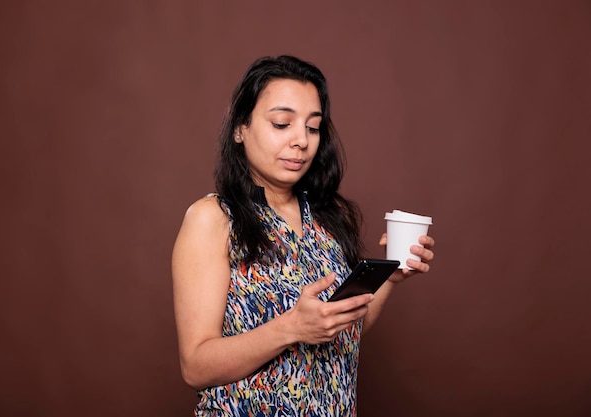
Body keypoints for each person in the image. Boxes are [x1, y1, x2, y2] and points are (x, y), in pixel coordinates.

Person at [172, 55, 435, 416]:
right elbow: (195, 367)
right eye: (282, 123)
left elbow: (342, 330)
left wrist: (389, 280)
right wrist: (290, 328)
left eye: (313, 128)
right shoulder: (213, 218)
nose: (301, 140)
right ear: (240, 128)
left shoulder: (328, 217)